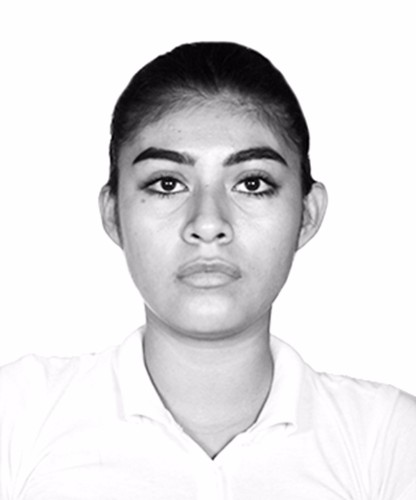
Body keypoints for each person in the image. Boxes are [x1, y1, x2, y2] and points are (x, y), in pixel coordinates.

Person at [0, 41, 415, 500]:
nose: (208, 223)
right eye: (167, 183)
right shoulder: (18, 416)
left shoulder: (388, 439)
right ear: (114, 214)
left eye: (252, 183)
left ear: (308, 214)